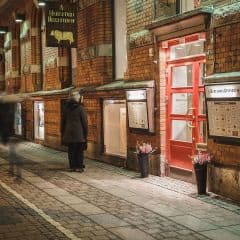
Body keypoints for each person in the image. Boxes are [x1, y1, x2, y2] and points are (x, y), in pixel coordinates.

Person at [61, 91, 88, 172]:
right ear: (78, 98)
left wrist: (62, 132)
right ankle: (79, 166)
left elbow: (63, 122)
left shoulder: (66, 108)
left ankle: (72, 166)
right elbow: (84, 122)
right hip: (79, 134)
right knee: (79, 151)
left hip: (68, 134)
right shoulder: (80, 108)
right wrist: (85, 134)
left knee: (71, 151)